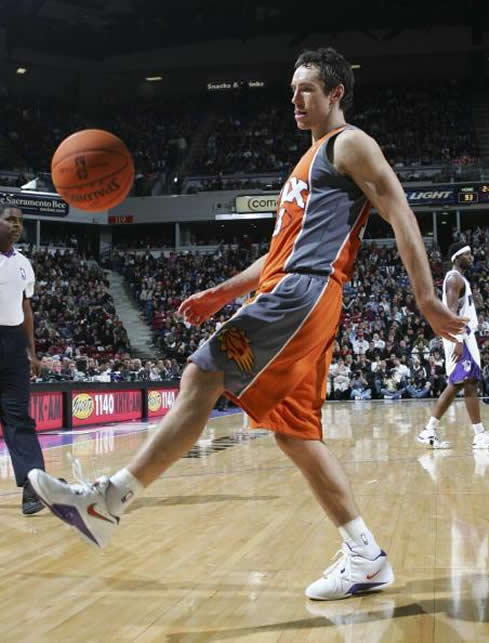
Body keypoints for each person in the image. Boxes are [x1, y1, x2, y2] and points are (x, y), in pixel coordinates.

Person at [28, 47, 465, 601]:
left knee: (203, 372)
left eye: (306, 89)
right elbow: (274, 255)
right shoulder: (304, 167)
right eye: (292, 90)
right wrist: (221, 292)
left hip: (300, 295)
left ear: (335, 93)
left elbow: (399, 209)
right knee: (294, 433)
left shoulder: (348, 143)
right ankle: (366, 556)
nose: (294, 99)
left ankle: (107, 501)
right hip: (294, 294)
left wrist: (424, 296)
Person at [417, 242, 489, 449]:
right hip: (461, 336)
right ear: (456, 257)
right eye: (467, 254)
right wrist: (458, 340)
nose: (472, 257)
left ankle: (429, 430)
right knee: (469, 383)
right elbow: (451, 311)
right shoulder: (454, 278)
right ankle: (479, 434)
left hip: (463, 335)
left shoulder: (459, 278)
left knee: (458, 383)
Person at [0, 207, 46, 514]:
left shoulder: (23, 264)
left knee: (18, 418)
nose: (16, 226)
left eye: (20, 221)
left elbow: (26, 309)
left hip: (13, 345)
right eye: (9, 219)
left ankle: (33, 486)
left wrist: (31, 351)